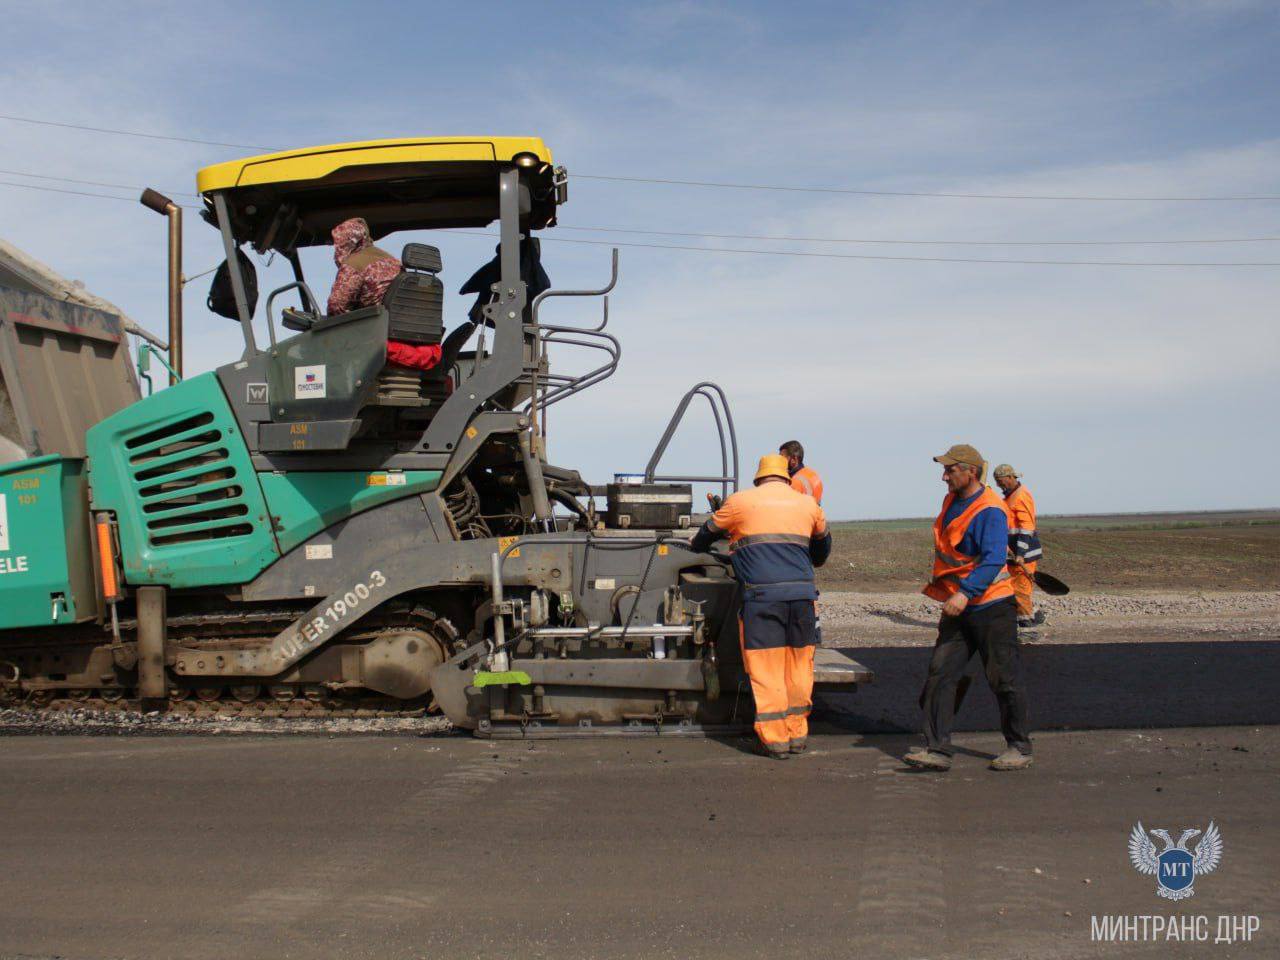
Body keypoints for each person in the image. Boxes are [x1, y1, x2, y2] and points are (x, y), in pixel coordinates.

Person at [691, 454, 832, 759]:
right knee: (798, 666)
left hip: (763, 599)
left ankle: (774, 740)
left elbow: (704, 537)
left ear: (758, 478)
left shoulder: (740, 503)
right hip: (804, 598)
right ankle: (797, 735)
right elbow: (821, 550)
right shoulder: (808, 505)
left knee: (767, 670)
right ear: (786, 477)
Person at [904, 443, 1033, 772]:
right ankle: (937, 749)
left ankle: (1019, 746)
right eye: (944, 469)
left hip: (991, 606)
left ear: (970, 472)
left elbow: (991, 560)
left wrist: (964, 593)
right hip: (958, 607)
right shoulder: (951, 500)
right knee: (941, 674)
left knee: (1003, 678)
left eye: (950, 470)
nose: (943, 476)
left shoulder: (990, 509)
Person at [326, 217, 443, 371]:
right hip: (411, 339)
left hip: (374, 335)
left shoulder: (354, 264)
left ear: (347, 242)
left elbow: (336, 307)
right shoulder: (394, 262)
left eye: (338, 243)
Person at [993, 464, 1044, 629]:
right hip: (1013, 553)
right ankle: (1034, 614)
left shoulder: (1021, 495)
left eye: (1001, 482)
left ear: (1011, 478)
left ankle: (1027, 625)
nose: (1000, 485)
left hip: (1024, 554)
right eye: (997, 482)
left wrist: (1021, 552)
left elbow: (1027, 527)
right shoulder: (1009, 497)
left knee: (1021, 589)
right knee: (1015, 588)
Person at [779, 440, 823, 504]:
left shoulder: (794, 482)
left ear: (794, 459)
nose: (779, 461)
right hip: (816, 513)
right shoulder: (813, 474)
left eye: (782, 458)